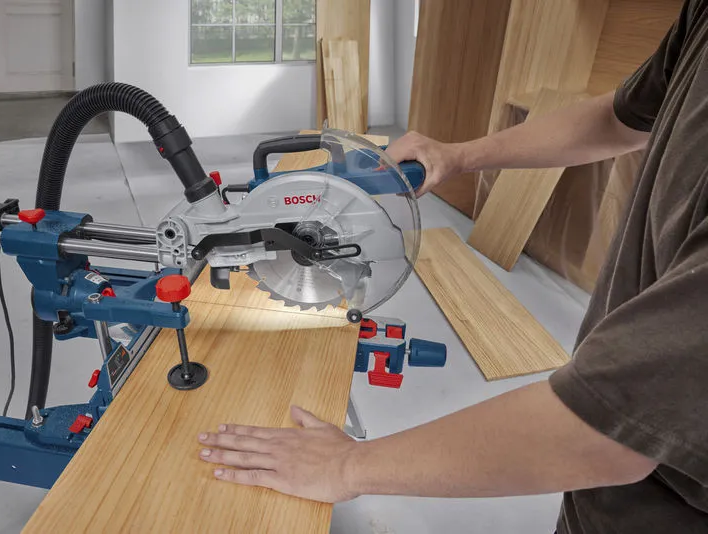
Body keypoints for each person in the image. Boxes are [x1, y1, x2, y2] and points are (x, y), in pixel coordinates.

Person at [197, 1, 708, 532]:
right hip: (603, 500)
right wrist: (457, 156)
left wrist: (345, 466)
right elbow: (621, 118)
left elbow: (607, 433)